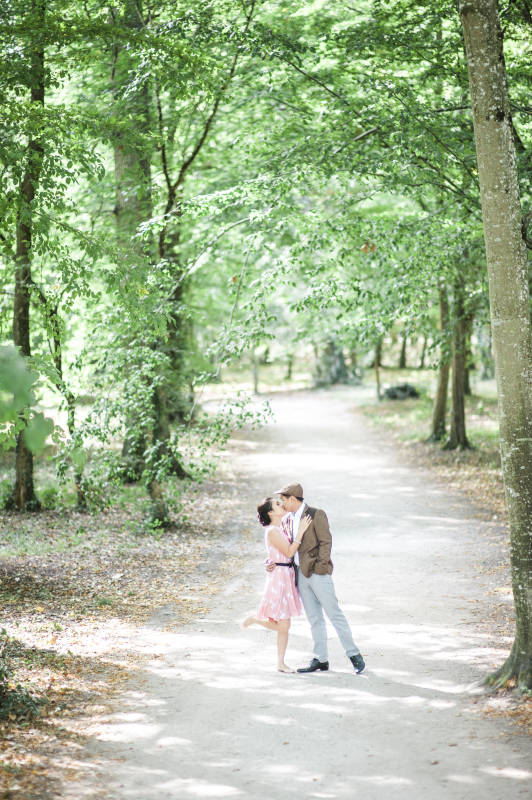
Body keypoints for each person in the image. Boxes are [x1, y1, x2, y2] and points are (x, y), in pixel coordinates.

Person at [272, 482, 366, 674]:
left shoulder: (316, 515)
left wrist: (320, 568)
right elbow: (283, 545)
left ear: (292, 498)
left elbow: (326, 542)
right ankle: (321, 659)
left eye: (283, 500)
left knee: (334, 614)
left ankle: (354, 655)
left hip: (317, 573)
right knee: (314, 618)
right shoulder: (287, 520)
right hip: (299, 574)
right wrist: (271, 562)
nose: (282, 504)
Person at [243, 495, 311, 673]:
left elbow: (275, 553)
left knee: (284, 625)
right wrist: (302, 533)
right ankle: (256, 620)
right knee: (283, 624)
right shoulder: (272, 531)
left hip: (285, 575)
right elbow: (288, 551)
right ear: (271, 512)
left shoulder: (280, 527)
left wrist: (268, 561)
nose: (282, 506)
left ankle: (281, 663)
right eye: (277, 504)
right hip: (279, 578)